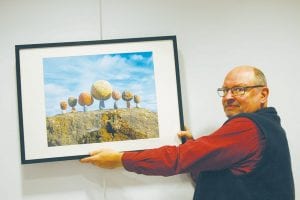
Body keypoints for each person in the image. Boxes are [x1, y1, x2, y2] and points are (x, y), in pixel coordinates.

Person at [80, 65, 294, 200]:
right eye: (224, 90)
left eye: (239, 89)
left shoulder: (247, 127)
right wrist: (195, 150)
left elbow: (176, 159)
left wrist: (120, 159)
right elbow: (230, 176)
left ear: (263, 94)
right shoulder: (270, 127)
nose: (228, 96)